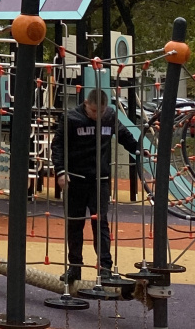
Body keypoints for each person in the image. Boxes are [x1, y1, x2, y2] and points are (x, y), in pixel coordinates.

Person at [51, 87, 138, 282]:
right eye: (93, 111)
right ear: (86, 105)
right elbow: (57, 145)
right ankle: (75, 267)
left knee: (101, 223)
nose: (97, 115)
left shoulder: (110, 116)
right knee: (75, 224)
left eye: (101, 111)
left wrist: (139, 149)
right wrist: (61, 171)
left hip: (100, 179)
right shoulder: (71, 118)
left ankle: (105, 268)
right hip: (75, 179)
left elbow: (124, 136)